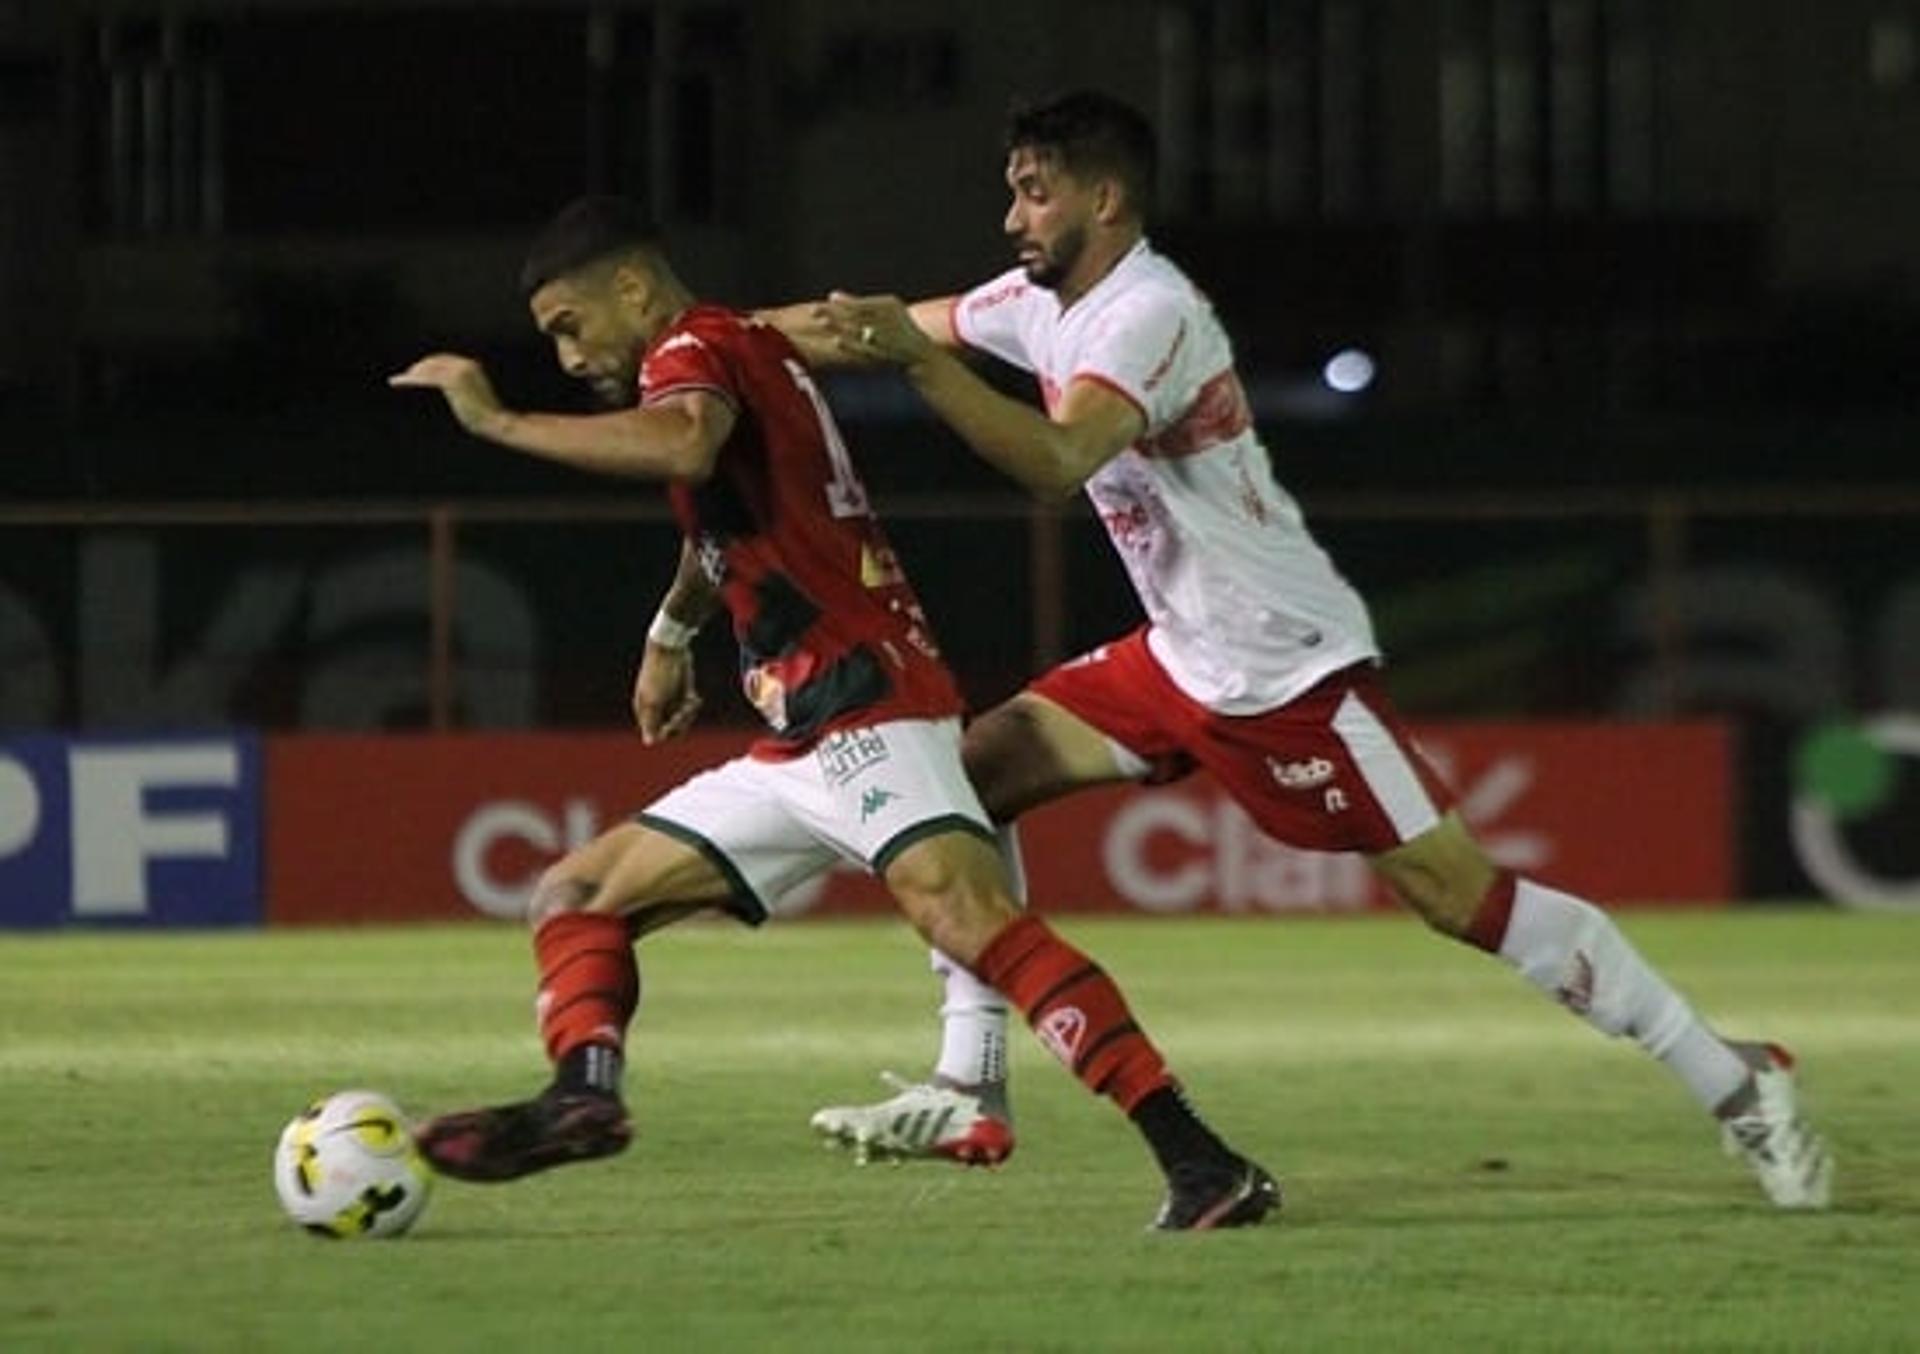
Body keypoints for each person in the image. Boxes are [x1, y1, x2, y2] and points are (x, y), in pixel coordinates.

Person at [785, 91, 1832, 1209]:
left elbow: (1054, 459)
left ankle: (1737, 1081)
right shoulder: (1036, 301)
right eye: (1011, 189)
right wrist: (705, 344)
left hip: (1286, 672)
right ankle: (973, 1079)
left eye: (1033, 191)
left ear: (1105, 197)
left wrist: (916, 362)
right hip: (1178, 655)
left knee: (1458, 896)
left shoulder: (1149, 312)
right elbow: (874, 322)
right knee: (966, 779)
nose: (1010, 216)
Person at [387, 195, 1279, 1230]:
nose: (568, 351)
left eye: (568, 324)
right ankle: (584, 1092)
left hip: (867, 698)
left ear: (631, 286)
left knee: (971, 921)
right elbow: (713, 504)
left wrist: (497, 422)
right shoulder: (735, 346)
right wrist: (672, 634)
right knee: (578, 891)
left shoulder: (693, 349)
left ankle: (1200, 1159)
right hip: (803, 731)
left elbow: (681, 447)